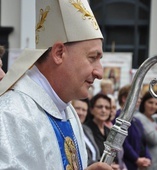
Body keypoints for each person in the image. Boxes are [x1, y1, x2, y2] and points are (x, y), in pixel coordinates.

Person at [0, 0, 115, 169]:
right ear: (59, 53)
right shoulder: (11, 113)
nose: (99, 72)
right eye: (92, 58)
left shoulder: (68, 110)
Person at [113, 84, 151, 170]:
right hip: (126, 164)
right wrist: (136, 159)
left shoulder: (136, 120)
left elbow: (143, 142)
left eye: (140, 97)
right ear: (124, 98)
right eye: (137, 96)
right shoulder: (118, 117)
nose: (139, 100)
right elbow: (122, 143)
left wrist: (147, 158)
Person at [135, 91, 157, 170]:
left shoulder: (154, 119)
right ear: (144, 102)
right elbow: (153, 138)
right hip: (148, 164)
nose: (153, 106)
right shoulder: (139, 118)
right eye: (150, 102)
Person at [71, 99, 101, 165]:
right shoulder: (68, 130)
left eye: (84, 110)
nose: (81, 113)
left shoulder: (87, 129)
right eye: (77, 108)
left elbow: (96, 155)